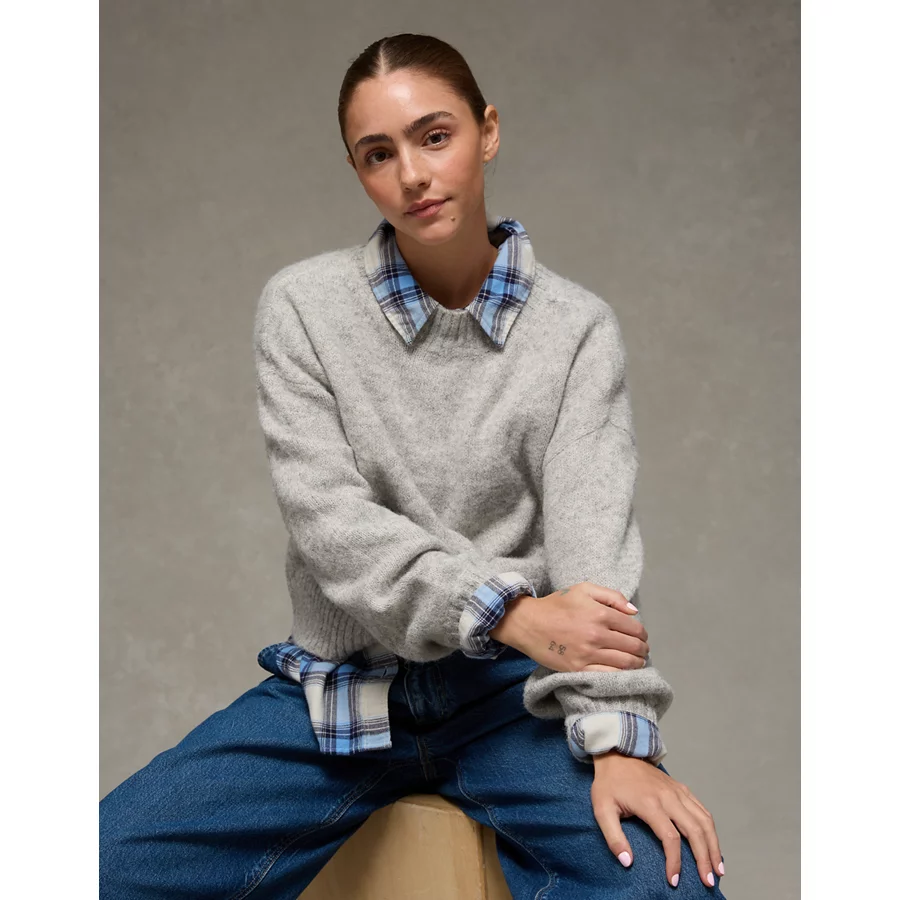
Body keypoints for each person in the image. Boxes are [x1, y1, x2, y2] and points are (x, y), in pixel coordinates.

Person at [100, 32, 727, 899]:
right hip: (343, 695)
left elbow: (596, 563)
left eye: (435, 136)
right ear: (357, 170)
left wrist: (619, 741)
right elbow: (334, 527)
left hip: (512, 700)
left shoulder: (577, 330)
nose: (413, 175)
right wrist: (510, 612)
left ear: (487, 131)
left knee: (666, 883)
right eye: (378, 153)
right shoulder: (303, 308)